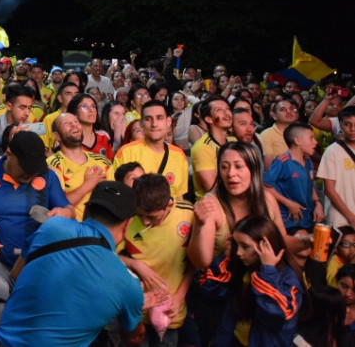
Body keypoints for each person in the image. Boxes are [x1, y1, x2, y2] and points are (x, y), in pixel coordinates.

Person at [0, 181, 148, 347]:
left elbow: (16, 276)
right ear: (127, 225)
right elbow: (132, 338)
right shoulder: (128, 286)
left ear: (87, 211)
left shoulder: (52, 227)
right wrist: (136, 305)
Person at [187, 141, 287, 345]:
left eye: (238, 166)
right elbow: (202, 262)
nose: (230, 173)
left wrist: (307, 243)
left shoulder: (267, 200)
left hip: (261, 291)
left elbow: (283, 243)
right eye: (224, 167)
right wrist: (199, 224)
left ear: (253, 169)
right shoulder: (210, 204)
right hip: (219, 296)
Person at [0, 130, 73, 301]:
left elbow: (69, 210)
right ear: (9, 154)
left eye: (35, 169)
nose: (31, 174)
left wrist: (65, 213)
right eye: (26, 167)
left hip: (36, 260)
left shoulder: (47, 176)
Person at [196, 215, 303, 347]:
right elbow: (209, 288)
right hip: (232, 340)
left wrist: (268, 272)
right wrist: (226, 257)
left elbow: (276, 316)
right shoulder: (243, 268)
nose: (239, 253)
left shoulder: (288, 278)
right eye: (237, 245)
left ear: (266, 247)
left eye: (245, 247)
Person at [121, 173, 195, 346]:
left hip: (170, 314)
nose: (145, 222)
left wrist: (179, 296)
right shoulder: (126, 217)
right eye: (140, 215)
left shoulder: (188, 214)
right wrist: (135, 264)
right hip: (136, 313)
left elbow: (194, 262)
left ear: (169, 204)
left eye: (153, 217)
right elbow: (109, 255)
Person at [111, 101, 189, 199]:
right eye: (148, 119)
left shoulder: (179, 155)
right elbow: (115, 193)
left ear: (168, 121)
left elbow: (179, 197)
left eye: (159, 118)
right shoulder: (126, 152)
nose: (154, 124)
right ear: (142, 124)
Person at [45, 112, 111, 220]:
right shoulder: (52, 165)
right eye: (66, 123)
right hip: (73, 233)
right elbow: (58, 207)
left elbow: (114, 198)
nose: (74, 125)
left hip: (101, 231)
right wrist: (89, 184)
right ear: (56, 136)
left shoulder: (103, 162)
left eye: (76, 122)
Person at [263, 122, 323, 232]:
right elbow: (266, 186)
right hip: (290, 220)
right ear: (297, 141)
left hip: (307, 218)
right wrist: (289, 204)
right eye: (311, 138)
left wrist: (318, 203)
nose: (315, 142)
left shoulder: (308, 161)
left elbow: (309, 185)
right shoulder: (283, 162)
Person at [317, 106, 355, 229]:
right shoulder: (332, 151)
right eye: (347, 124)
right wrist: (351, 217)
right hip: (340, 218)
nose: (352, 129)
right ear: (340, 125)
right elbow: (329, 190)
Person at [190, 96, 235, 200]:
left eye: (228, 109)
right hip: (213, 207)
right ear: (208, 119)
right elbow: (212, 189)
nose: (227, 113)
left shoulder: (234, 141)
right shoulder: (202, 148)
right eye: (219, 110)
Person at [66, 92, 113, 158]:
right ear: (75, 113)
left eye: (93, 106)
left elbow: (110, 165)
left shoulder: (104, 137)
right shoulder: (66, 139)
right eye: (84, 106)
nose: (91, 110)